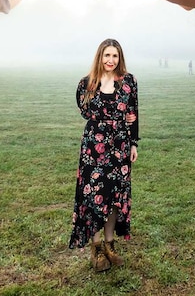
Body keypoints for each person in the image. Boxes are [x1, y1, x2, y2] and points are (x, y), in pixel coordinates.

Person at [69, 39, 140, 272]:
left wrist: (133, 143)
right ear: (100, 56)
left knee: (115, 199)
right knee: (94, 198)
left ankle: (110, 245)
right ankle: (97, 248)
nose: (111, 60)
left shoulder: (129, 82)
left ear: (120, 58)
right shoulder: (86, 84)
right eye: (107, 55)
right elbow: (84, 111)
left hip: (120, 145)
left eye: (115, 56)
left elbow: (133, 114)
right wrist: (106, 121)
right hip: (94, 148)